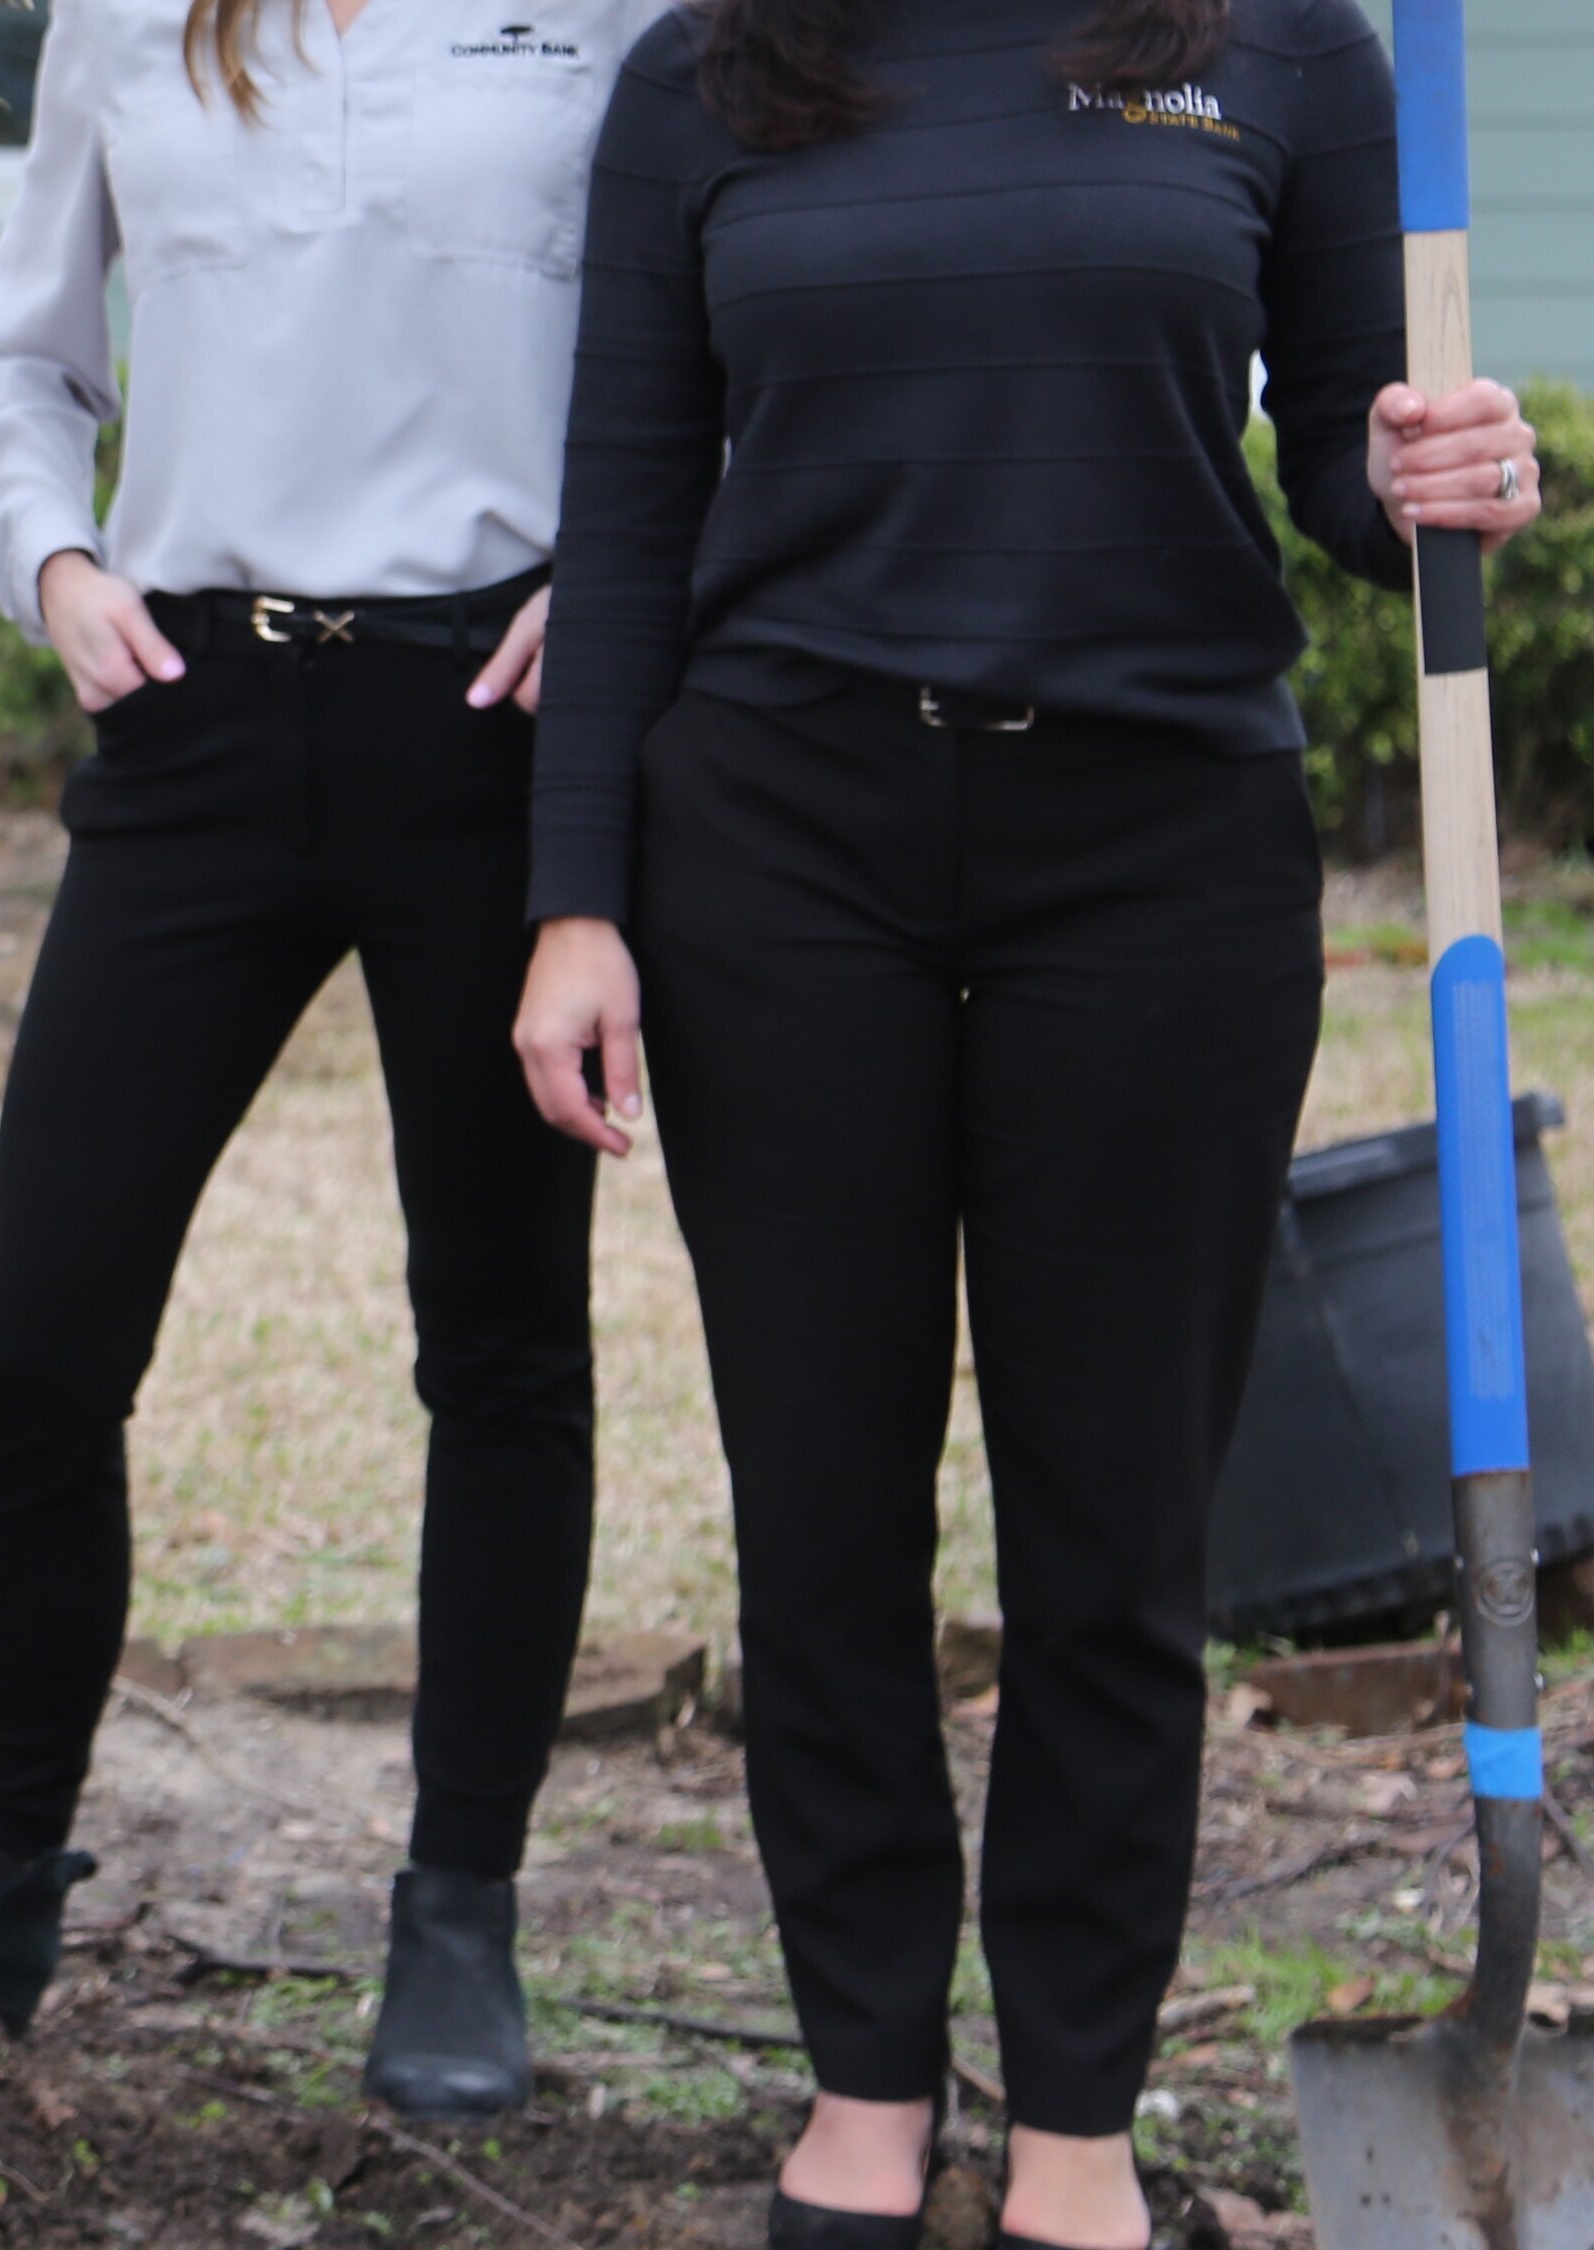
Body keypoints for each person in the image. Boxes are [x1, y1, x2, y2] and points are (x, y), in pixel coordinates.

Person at [508, 0, 1546, 2241]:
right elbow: (620, 513)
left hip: (1152, 846)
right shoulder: (701, 76)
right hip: (778, 849)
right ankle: (860, 2104)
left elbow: (1365, 486)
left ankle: (1075, 2131)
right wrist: (573, 902)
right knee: (821, 1518)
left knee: (1109, 1539)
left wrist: (1441, 471)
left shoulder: (1277, 51)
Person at [0, 0, 668, 2115]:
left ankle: (455, 1914)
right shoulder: (135, 24)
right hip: (193, 726)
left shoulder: (607, 24)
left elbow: (704, 342)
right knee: (38, 1334)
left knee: (497, 1345)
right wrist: (48, 560)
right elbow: (22, 355)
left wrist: (620, 589)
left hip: (490, 730)